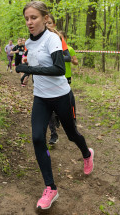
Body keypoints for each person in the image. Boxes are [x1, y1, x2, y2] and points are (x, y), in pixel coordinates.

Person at [15, 1, 94, 210]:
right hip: (40, 97)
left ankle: (87, 153)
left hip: (61, 96)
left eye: (34, 18)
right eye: (27, 19)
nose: (30, 22)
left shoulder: (52, 39)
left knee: (71, 134)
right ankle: (50, 188)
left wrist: (28, 68)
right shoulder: (29, 43)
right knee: (37, 138)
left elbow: (59, 69)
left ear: (44, 18)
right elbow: (37, 65)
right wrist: (26, 73)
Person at [46, 14, 72, 145]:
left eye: (50, 23)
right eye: (46, 23)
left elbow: (68, 57)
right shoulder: (35, 38)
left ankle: (60, 118)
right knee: (47, 107)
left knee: (57, 104)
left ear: (54, 24)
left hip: (57, 78)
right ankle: (53, 134)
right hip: (42, 79)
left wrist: (56, 58)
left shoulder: (58, 38)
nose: (47, 25)